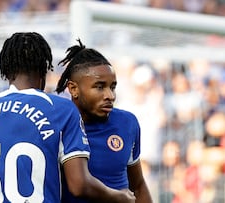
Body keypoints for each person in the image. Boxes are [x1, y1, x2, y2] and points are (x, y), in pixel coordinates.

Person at [0, 32, 135, 203]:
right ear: (45, 69)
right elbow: (79, 185)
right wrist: (118, 196)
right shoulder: (61, 109)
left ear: (5, 71)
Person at [55, 39, 153, 203]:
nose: (110, 95)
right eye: (100, 87)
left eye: (112, 87)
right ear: (73, 89)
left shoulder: (126, 123)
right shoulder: (56, 127)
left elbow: (138, 186)